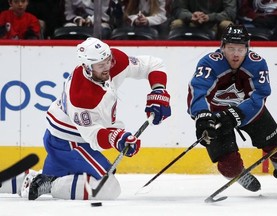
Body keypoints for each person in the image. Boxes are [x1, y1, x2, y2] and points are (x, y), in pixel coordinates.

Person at [24, 37, 171, 200]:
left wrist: (158, 91)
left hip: (74, 136)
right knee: (107, 188)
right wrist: (117, 138)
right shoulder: (81, 96)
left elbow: (153, 63)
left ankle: (33, 179)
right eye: (101, 65)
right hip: (67, 141)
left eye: (107, 61)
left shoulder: (114, 61)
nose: (107, 67)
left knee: (99, 177)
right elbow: (92, 136)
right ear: (87, 67)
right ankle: (49, 183)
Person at [187, 24, 277, 192]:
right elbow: (198, 90)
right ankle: (237, 173)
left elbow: (260, 95)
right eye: (231, 48)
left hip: (250, 111)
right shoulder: (209, 63)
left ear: (248, 48)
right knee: (228, 164)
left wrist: (237, 114)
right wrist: (202, 117)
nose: (235, 54)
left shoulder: (257, 64)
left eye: (241, 49)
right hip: (216, 114)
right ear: (222, 47)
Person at [170, 0, 237, 39]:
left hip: (216, 22)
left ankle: (225, 52)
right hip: (192, 21)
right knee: (177, 23)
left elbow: (230, 12)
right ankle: (176, 51)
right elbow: (178, 9)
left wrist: (209, 17)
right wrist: (191, 16)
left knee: (227, 25)